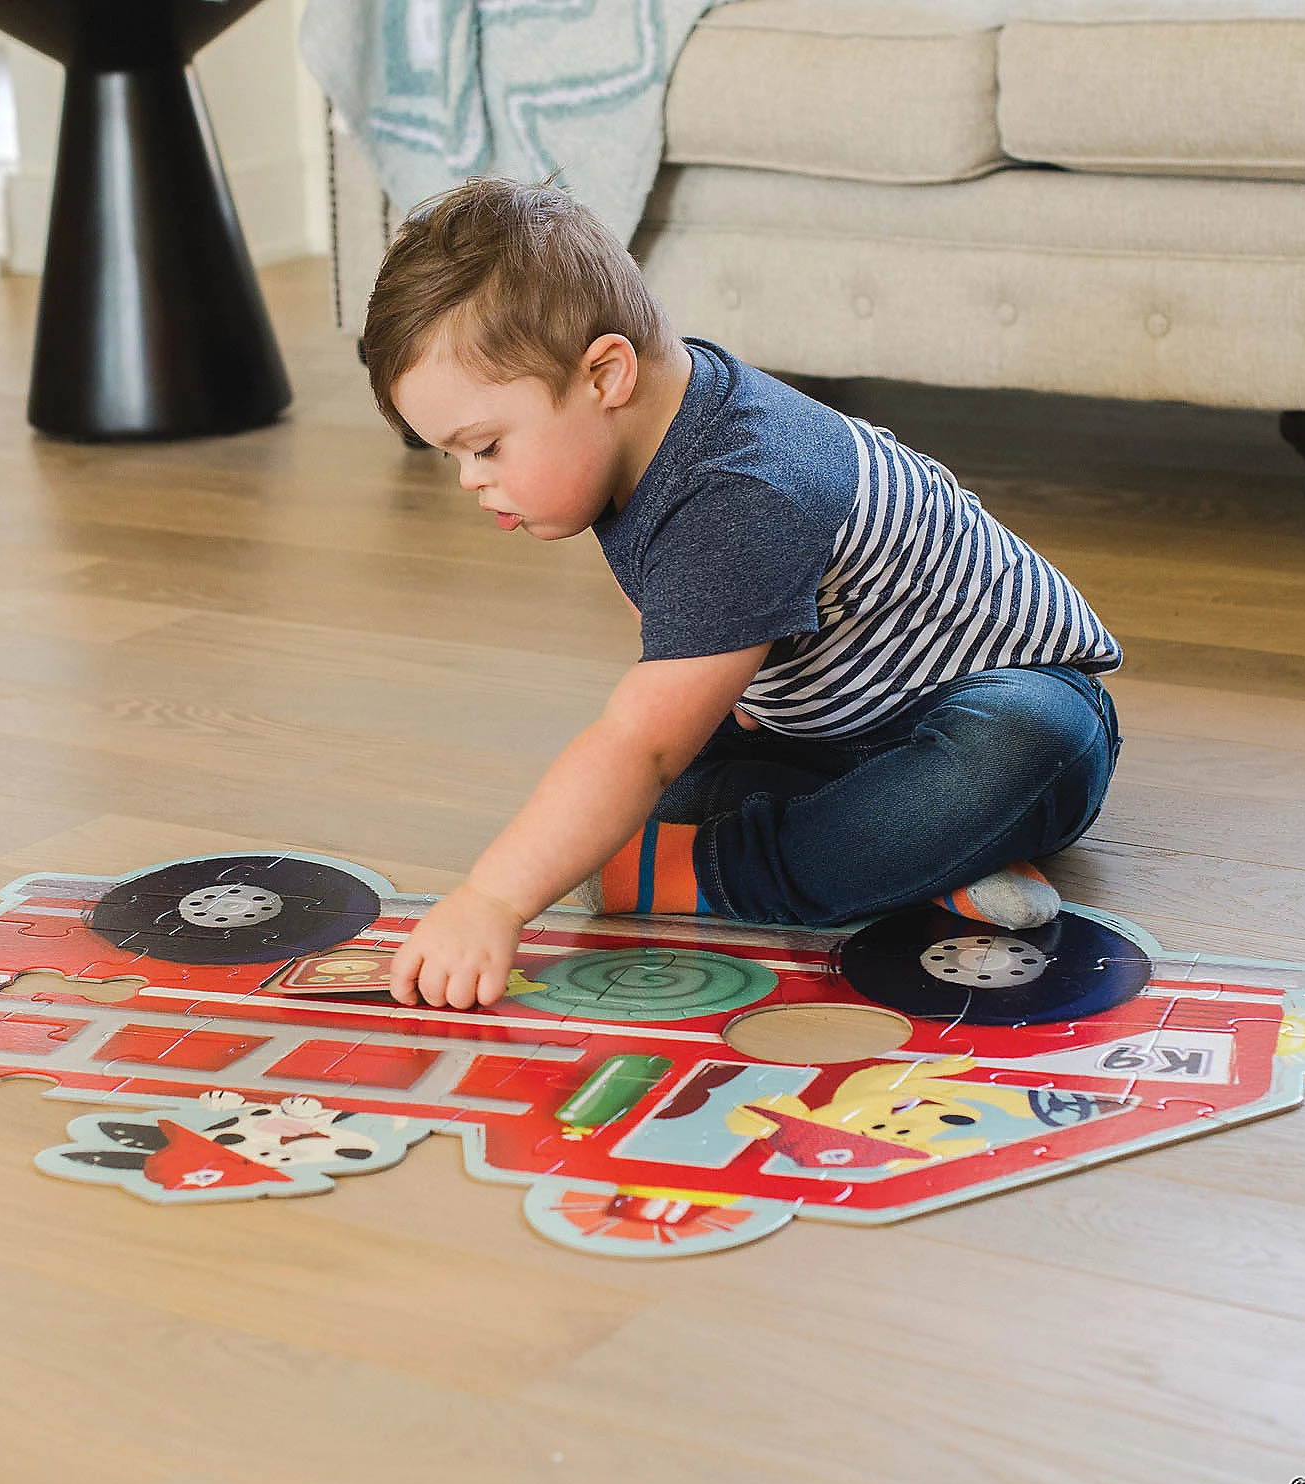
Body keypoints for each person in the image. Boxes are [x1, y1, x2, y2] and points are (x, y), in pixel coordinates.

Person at [362, 175, 1122, 1011]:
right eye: (455, 458)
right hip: (830, 728)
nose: (474, 481)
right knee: (670, 789)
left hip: (1000, 702)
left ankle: (716, 872)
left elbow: (639, 743)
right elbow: (670, 618)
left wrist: (494, 899)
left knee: (1028, 751)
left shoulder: (743, 489)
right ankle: (931, 865)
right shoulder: (652, 425)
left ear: (605, 374)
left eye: (487, 446)